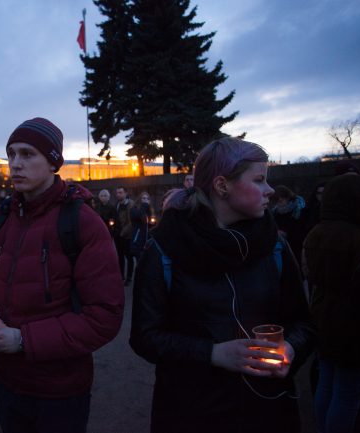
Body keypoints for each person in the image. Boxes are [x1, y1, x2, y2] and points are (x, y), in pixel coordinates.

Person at [130, 137, 315, 433]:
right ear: (222, 186)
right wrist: (213, 354)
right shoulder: (165, 248)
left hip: (268, 411)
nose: (269, 190)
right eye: (259, 180)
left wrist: (292, 349)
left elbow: (304, 323)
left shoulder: (275, 246)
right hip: (191, 413)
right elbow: (144, 337)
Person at [0, 117, 124, 433]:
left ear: (53, 161)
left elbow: (104, 316)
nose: (15, 164)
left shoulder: (82, 222)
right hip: (8, 380)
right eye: (11, 154)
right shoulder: (4, 220)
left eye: (27, 154)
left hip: (60, 388)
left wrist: (23, 339)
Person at [303, 174, 360, 433]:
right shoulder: (359, 238)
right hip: (354, 324)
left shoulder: (316, 233)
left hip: (323, 316)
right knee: (348, 392)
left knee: (327, 382)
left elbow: (309, 275)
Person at [272, 185, 306, 264]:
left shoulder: (299, 210)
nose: (280, 200)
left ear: (288, 197)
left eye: (282, 198)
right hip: (282, 246)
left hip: (296, 246)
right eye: (277, 199)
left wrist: (287, 234)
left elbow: (301, 229)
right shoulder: (275, 212)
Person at [114, 186, 134, 284]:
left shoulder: (130, 204)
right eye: (117, 193)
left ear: (125, 193)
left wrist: (122, 233)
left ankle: (129, 278)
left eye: (120, 192)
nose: (118, 194)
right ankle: (121, 277)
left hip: (127, 236)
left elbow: (131, 222)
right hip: (119, 235)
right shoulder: (117, 204)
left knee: (129, 257)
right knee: (120, 256)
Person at [129, 191, 155, 260]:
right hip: (138, 240)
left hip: (148, 242)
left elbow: (151, 225)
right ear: (139, 199)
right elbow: (139, 216)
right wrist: (144, 206)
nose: (146, 200)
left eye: (147, 199)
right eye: (144, 198)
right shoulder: (134, 210)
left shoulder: (150, 211)